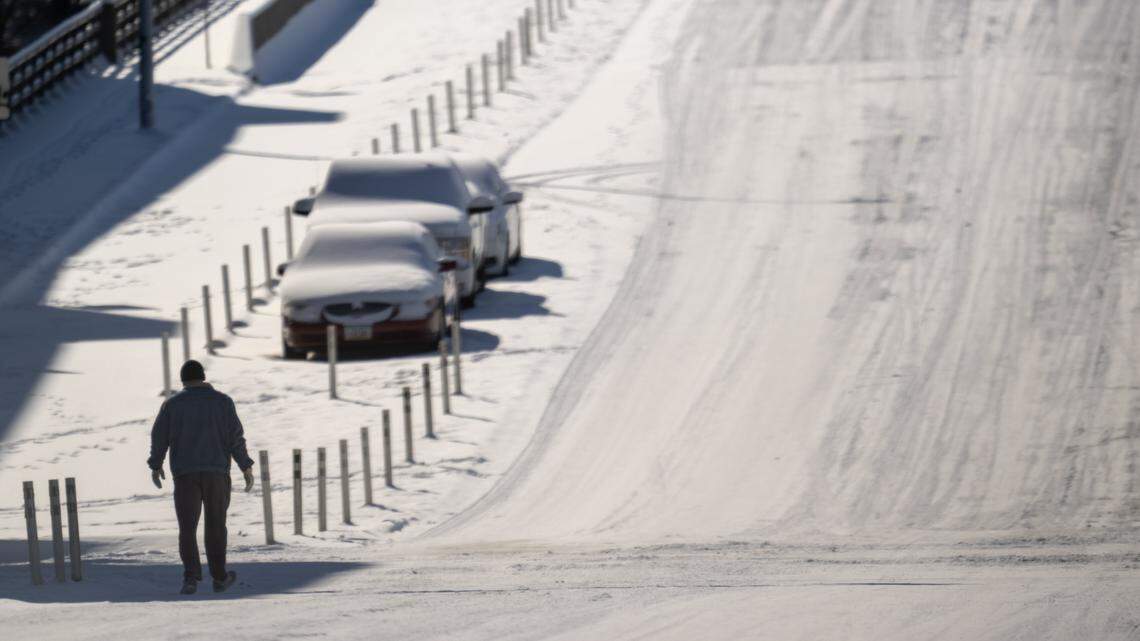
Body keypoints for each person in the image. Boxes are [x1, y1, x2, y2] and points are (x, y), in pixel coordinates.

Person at [147, 360, 255, 595]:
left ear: (183, 380)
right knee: (216, 525)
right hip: (216, 473)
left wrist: (156, 465)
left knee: (187, 527)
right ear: (204, 377)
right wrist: (245, 466)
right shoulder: (223, 402)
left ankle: (190, 578)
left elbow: (159, 437)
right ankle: (219, 577)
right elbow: (235, 438)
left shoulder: (172, 405)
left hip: (185, 475)